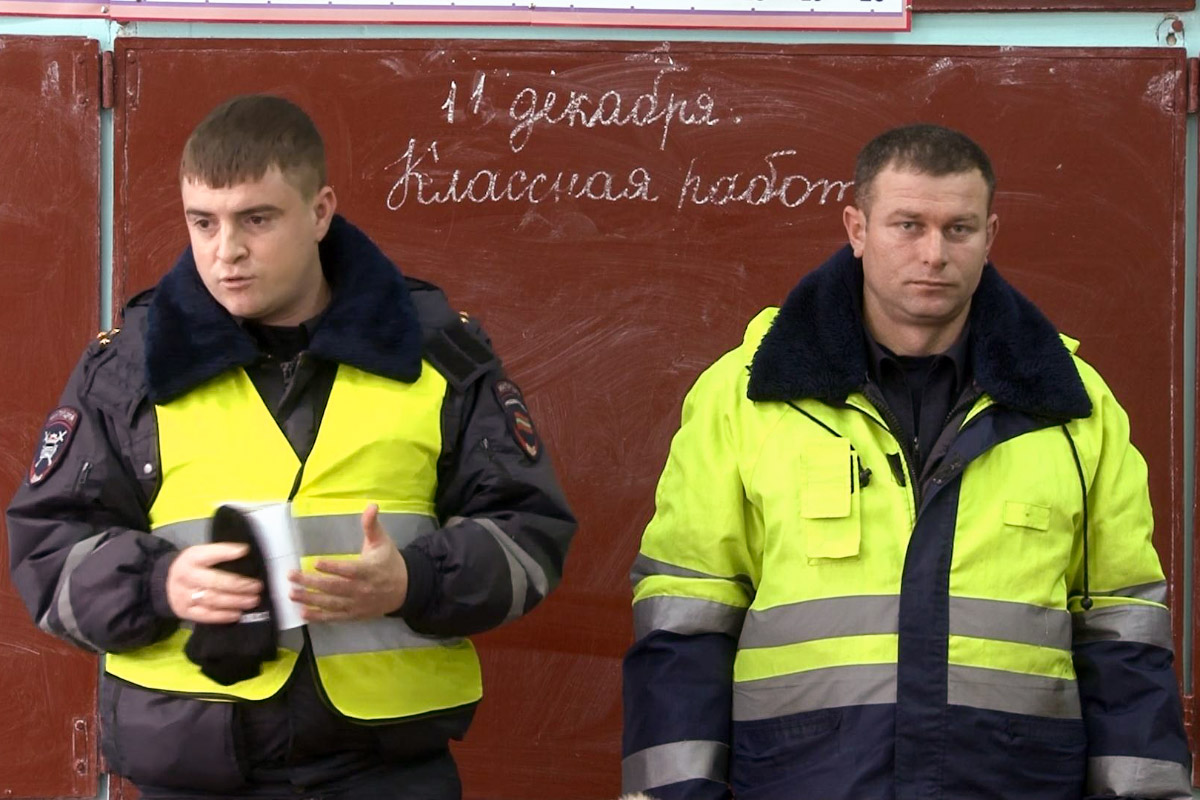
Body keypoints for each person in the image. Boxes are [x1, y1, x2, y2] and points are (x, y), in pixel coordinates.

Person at [6, 94, 575, 800]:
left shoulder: (437, 355)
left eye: (257, 219)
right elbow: (46, 550)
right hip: (194, 773)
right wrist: (160, 585)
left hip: (386, 771)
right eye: (203, 222)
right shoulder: (128, 368)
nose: (226, 251)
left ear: (320, 211)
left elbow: (530, 533)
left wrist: (415, 580)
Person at [621, 124, 1190, 800]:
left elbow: (1123, 638)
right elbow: (686, 625)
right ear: (857, 229)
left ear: (990, 236)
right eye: (908, 225)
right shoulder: (745, 398)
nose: (934, 254)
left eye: (958, 229)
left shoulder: (1073, 410)